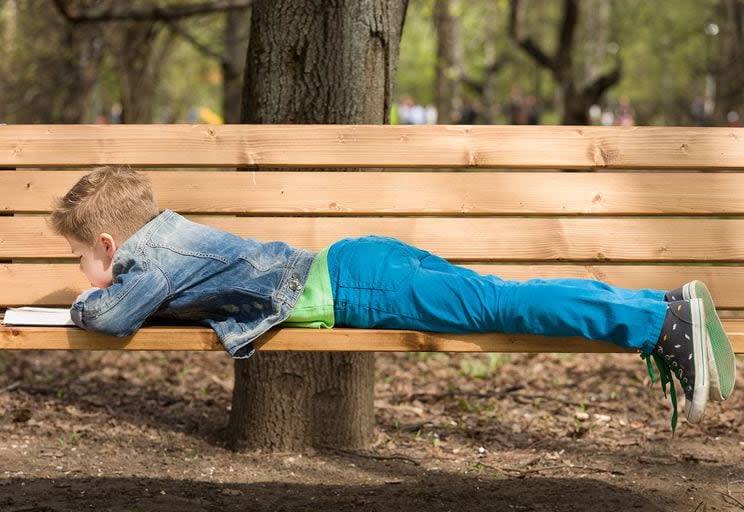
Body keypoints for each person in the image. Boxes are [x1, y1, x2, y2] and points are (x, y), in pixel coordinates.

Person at [49, 166, 736, 431]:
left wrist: (84, 300)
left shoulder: (148, 258)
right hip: (361, 267)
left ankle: (656, 319)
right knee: (505, 296)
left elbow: (110, 315)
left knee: (505, 305)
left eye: (82, 259)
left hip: (363, 287)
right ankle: (660, 307)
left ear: (109, 245)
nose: (83, 274)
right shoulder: (164, 240)